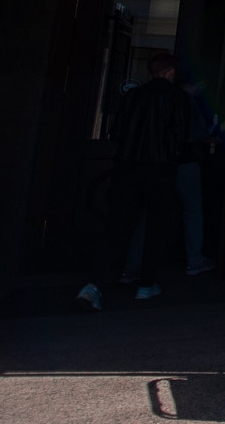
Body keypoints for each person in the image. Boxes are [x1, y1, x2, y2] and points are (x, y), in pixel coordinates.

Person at [75, 53, 194, 310]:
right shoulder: (177, 98)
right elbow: (180, 137)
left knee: (115, 228)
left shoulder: (133, 96)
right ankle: (146, 283)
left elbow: (117, 132)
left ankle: (93, 285)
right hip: (160, 169)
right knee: (155, 228)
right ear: (171, 72)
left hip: (127, 168)